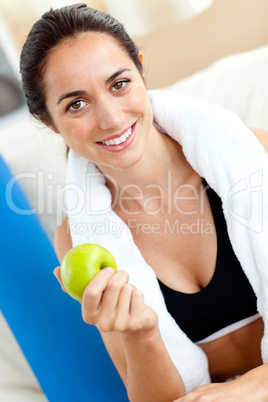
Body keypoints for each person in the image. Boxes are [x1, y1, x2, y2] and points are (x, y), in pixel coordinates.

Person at [20, 3, 268, 401]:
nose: (112, 118)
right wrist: (141, 334)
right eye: (76, 104)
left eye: (119, 84)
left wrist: (255, 386)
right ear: (49, 121)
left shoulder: (257, 155)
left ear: (140, 69)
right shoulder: (80, 242)